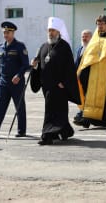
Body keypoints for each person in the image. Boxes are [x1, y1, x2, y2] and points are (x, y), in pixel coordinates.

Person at [30, 17, 81, 145]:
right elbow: (39, 64)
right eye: (49, 30)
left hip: (59, 87)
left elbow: (69, 67)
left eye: (53, 30)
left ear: (58, 32)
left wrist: (64, 82)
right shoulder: (44, 46)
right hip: (46, 87)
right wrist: (34, 65)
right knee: (58, 111)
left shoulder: (64, 47)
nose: (50, 33)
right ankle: (65, 131)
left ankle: (47, 136)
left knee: (52, 111)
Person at [0, 21, 30, 138]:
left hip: (16, 82)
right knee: (0, 106)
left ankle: (21, 130)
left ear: (13, 33)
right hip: (4, 82)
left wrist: (18, 75)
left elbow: (25, 64)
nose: (6, 35)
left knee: (19, 106)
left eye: (8, 32)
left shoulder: (20, 46)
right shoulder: (1, 47)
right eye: (4, 32)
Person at [75, 15, 106, 128]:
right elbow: (87, 56)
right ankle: (87, 119)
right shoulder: (94, 39)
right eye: (98, 24)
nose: (100, 26)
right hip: (93, 74)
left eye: (102, 24)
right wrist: (81, 71)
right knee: (90, 98)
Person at [73, 29, 92, 125]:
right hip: (79, 78)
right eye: (83, 36)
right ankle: (82, 114)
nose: (84, 38)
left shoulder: (93, 49)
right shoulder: (80, 49)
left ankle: (85, 118)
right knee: (81, 97)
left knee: (88, 98)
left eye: (86, 36)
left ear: (91, 37)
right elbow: (76, 63)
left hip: (89, 78)